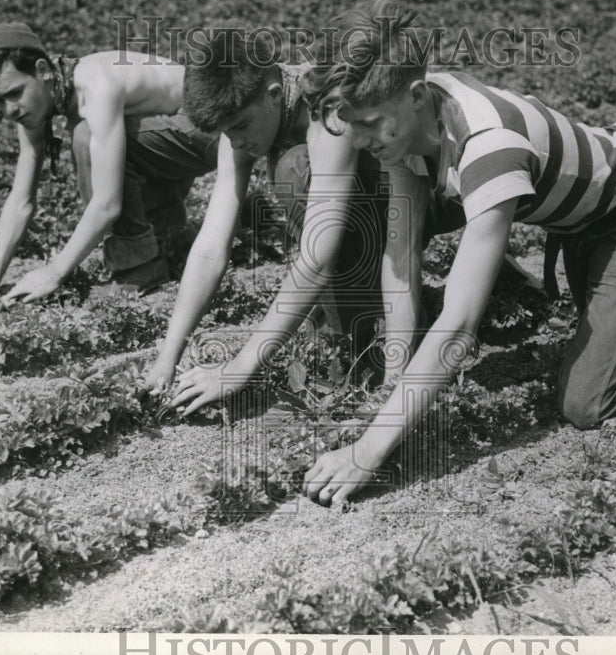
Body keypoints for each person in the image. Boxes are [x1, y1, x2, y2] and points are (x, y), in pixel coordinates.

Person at [299, 0, 616, 506]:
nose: (359, 139)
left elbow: (458, 326)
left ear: (414, 95)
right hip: (585, 221)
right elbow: (401, 259)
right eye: (353, 125)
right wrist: (396, 379)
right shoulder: (410, 121)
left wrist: (368, 450)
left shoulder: (487, 146)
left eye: (369, 124)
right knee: (615, 338)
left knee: (591, 397)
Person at [144, 29, 542, 411]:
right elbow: (211, 246)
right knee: (301, 181)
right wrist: (167, 355)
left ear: (273, 94)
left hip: (441, 186)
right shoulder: (242, 122)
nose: (236, 143)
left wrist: (238, 369)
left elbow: (319, 256)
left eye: (241, 128)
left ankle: (385, 330)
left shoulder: (326, 111)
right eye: (226, 134)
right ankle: (477, 281)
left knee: (293, 170)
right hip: (388, 195)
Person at [0, 22, 219, 300]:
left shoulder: (95, 84)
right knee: (105, 143)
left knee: (87, 138)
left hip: (211, 126)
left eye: (14, 93)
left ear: (42, 71)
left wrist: (53, 272)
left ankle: (140, 271)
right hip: (171, 133)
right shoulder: (34, 105)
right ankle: (168, 241)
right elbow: (21, 199)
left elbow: (107, 203)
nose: (9, 110)